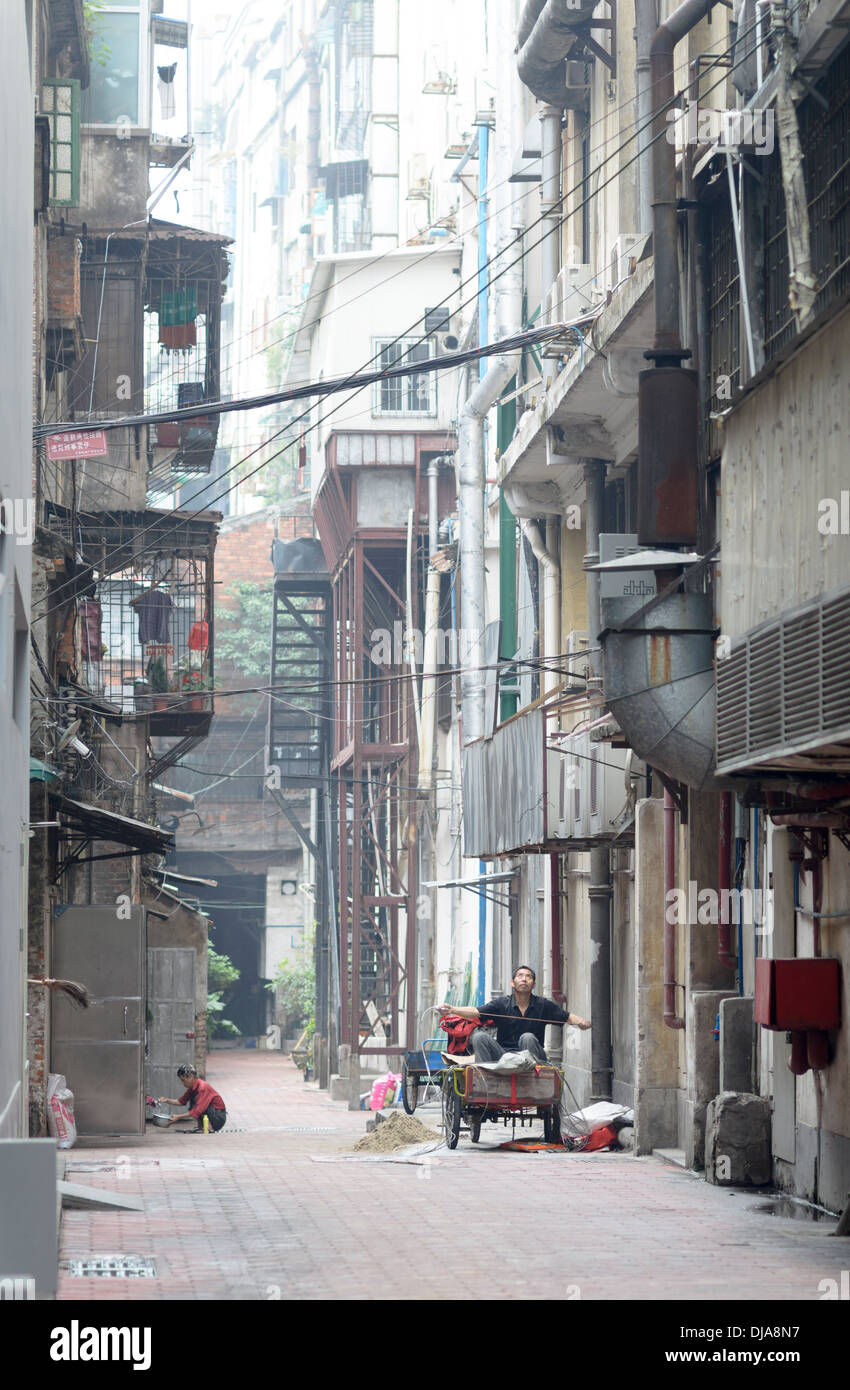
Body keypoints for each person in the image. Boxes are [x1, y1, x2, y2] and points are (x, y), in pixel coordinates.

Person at [438, 965, 591, 1063]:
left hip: (533, 1060)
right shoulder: (501, 1004)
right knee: (479, 1037)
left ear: (533, 984)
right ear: (513, 983)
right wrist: (452, 1009)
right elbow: (476, 1012)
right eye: (520, 976)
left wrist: (581, 1022)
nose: (524, 979)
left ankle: (530, 1077)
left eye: (528, 976)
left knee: (527, 1037)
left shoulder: (543, 1005)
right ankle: (484, 1079)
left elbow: (567, 1016)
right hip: (504, 1056)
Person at [158, 1064, 227, 1132]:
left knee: (199, 1105)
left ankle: (209, 1127)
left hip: (218, 1117)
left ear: (191, 1077)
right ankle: (201, 1127)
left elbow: (197, 1111)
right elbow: (181, 1101)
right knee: (195, 1103)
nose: (183, 1083)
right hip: (212, 1115)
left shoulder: (202, 1087)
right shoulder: (193, 1088)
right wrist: (167, 1100)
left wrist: (178, 1117)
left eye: (183, 1080)